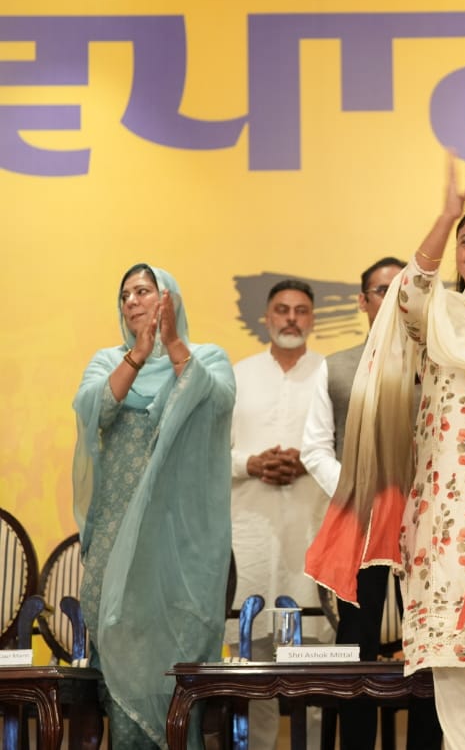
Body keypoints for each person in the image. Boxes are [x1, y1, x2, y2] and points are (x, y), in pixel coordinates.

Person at [307, 137, 465, 750]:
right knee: (454, 675)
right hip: (444, 510)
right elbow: (406, 293)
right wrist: (449, 216)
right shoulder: (435, 316)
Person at [73, 264, 234, 749]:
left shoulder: (207, 357)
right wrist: (139, 355)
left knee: (176, 662)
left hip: (180, 543)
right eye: (125, 295)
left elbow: (217, 403)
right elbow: (94, 409)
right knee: (119, 645)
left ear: (170, 298)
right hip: (115, 533)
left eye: (143, 291)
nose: (132, 302)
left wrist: (172, 344)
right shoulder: (108, 361)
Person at [300, 256, 443, 749]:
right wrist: (359, 493)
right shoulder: (337, 367)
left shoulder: (439, 363)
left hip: (427, 525)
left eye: (403, 288)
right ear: (363, 301)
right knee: (357, 642)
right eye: (383, 290)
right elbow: (315, 448)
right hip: (361, 525)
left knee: (426, 644)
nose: (394, 298)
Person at [228, 278, 330, 749]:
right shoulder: (238, 376)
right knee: (253, 665)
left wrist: (308, 461)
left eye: (301, 310)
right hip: (250, 530)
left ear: (312, 319)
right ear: (267, 318)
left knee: (317, 664)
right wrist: (250, 463)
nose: (291, 318)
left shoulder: (329, 374)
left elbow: (348, 450)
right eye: (282, 310)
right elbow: (210, 453)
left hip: (311, 530)